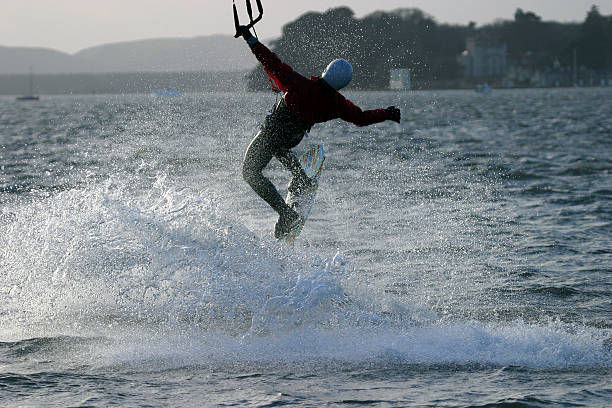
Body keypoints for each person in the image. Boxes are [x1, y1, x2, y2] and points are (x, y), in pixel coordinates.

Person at [237, 26, 401, 238]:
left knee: (249, 172)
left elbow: (270, 61)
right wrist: (386, 113)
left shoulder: (300, 84)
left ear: (325, 71)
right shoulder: (337, 104)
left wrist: (249, 38)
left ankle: (286, 213)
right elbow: (361, 118)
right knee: (279, 147)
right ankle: (300, 177)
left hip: (273, 134)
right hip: (292, 139)